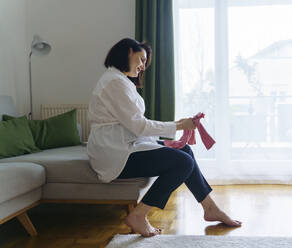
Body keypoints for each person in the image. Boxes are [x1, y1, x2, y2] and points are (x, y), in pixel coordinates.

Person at [87, 38, 241, 237]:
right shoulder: (115, 82)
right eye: (141, 59)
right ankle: (139, 215)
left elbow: (136, 123)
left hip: (125, 143)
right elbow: (140, 125)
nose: (143, 66)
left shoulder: (119, 80)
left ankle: (209, 207)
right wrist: (178, 126)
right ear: (127, 52)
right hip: (113, 153)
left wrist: (178, 125)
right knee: (182, 163)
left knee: (184, 150)